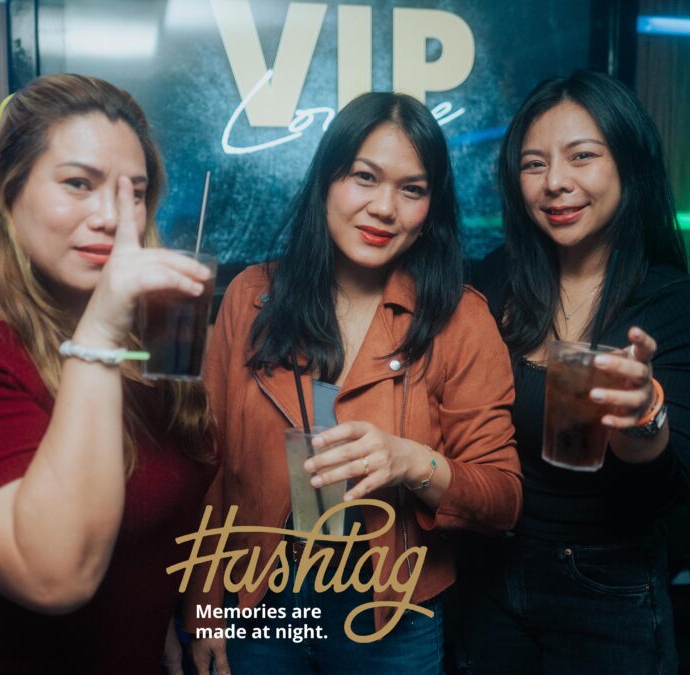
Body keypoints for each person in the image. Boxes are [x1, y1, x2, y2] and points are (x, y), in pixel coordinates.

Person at [0, 73, 217, 674]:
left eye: (134, 193)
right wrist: (99, 336)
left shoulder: (139, 330)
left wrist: (173, 617)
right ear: (4, 182)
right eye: (78, 183)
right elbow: (55, 577)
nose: (112, 216)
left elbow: (171, 508)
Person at [187, 92, 523, 675]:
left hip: (390, 611)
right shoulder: (251, 298)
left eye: (412, 189)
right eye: (364, 177)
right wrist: (202, 609)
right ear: (327, 179)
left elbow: (503, 499)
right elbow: (208, 468)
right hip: (260, 598)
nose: (384, 207)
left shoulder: (460, 319)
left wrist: (410, 461)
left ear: (431, 208)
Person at [457, 70, 690, 674]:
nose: (555, 182)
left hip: (606, 588)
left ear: (630, 164)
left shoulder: (679, 307)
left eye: (582, 156)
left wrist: (640, 421)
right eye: (534, 164)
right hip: (486, 574)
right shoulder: (492, 281)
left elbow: (661, 494)